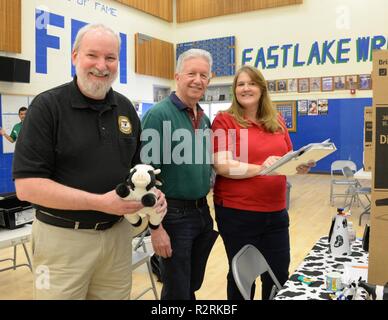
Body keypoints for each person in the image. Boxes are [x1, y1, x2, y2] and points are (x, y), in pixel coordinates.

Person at [12, 23, 167, 300]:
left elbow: (137, 172)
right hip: (61, 242)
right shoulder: (47, 107)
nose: (101, 66)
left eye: (110, 58)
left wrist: (153, 197)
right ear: (74, 57)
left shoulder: (125, 108)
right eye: (92, 55)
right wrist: (99, 202)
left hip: (117, 238)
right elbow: (27, 187)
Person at [211, 65, 313, 300]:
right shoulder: (224, 121)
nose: (246, 88)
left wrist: (301, 165)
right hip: (238, 214)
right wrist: (263, 168)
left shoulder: (275, 120)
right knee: (242, 278)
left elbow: (286, 159)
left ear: (262, 88)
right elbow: (223, 165)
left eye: (251, 83)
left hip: (276, 213)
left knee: (278, 275)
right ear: (234, 90)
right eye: (240, 84)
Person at [141, 48, 218, 300]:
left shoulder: (203, 119)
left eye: (204, 75)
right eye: (191, 73)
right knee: (176, 291)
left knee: (190, 285)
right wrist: (156, 228)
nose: (198, 80)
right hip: (172, 216)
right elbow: (144, 179)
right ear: (177, 76)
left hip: (201, 212)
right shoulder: (158, 114)